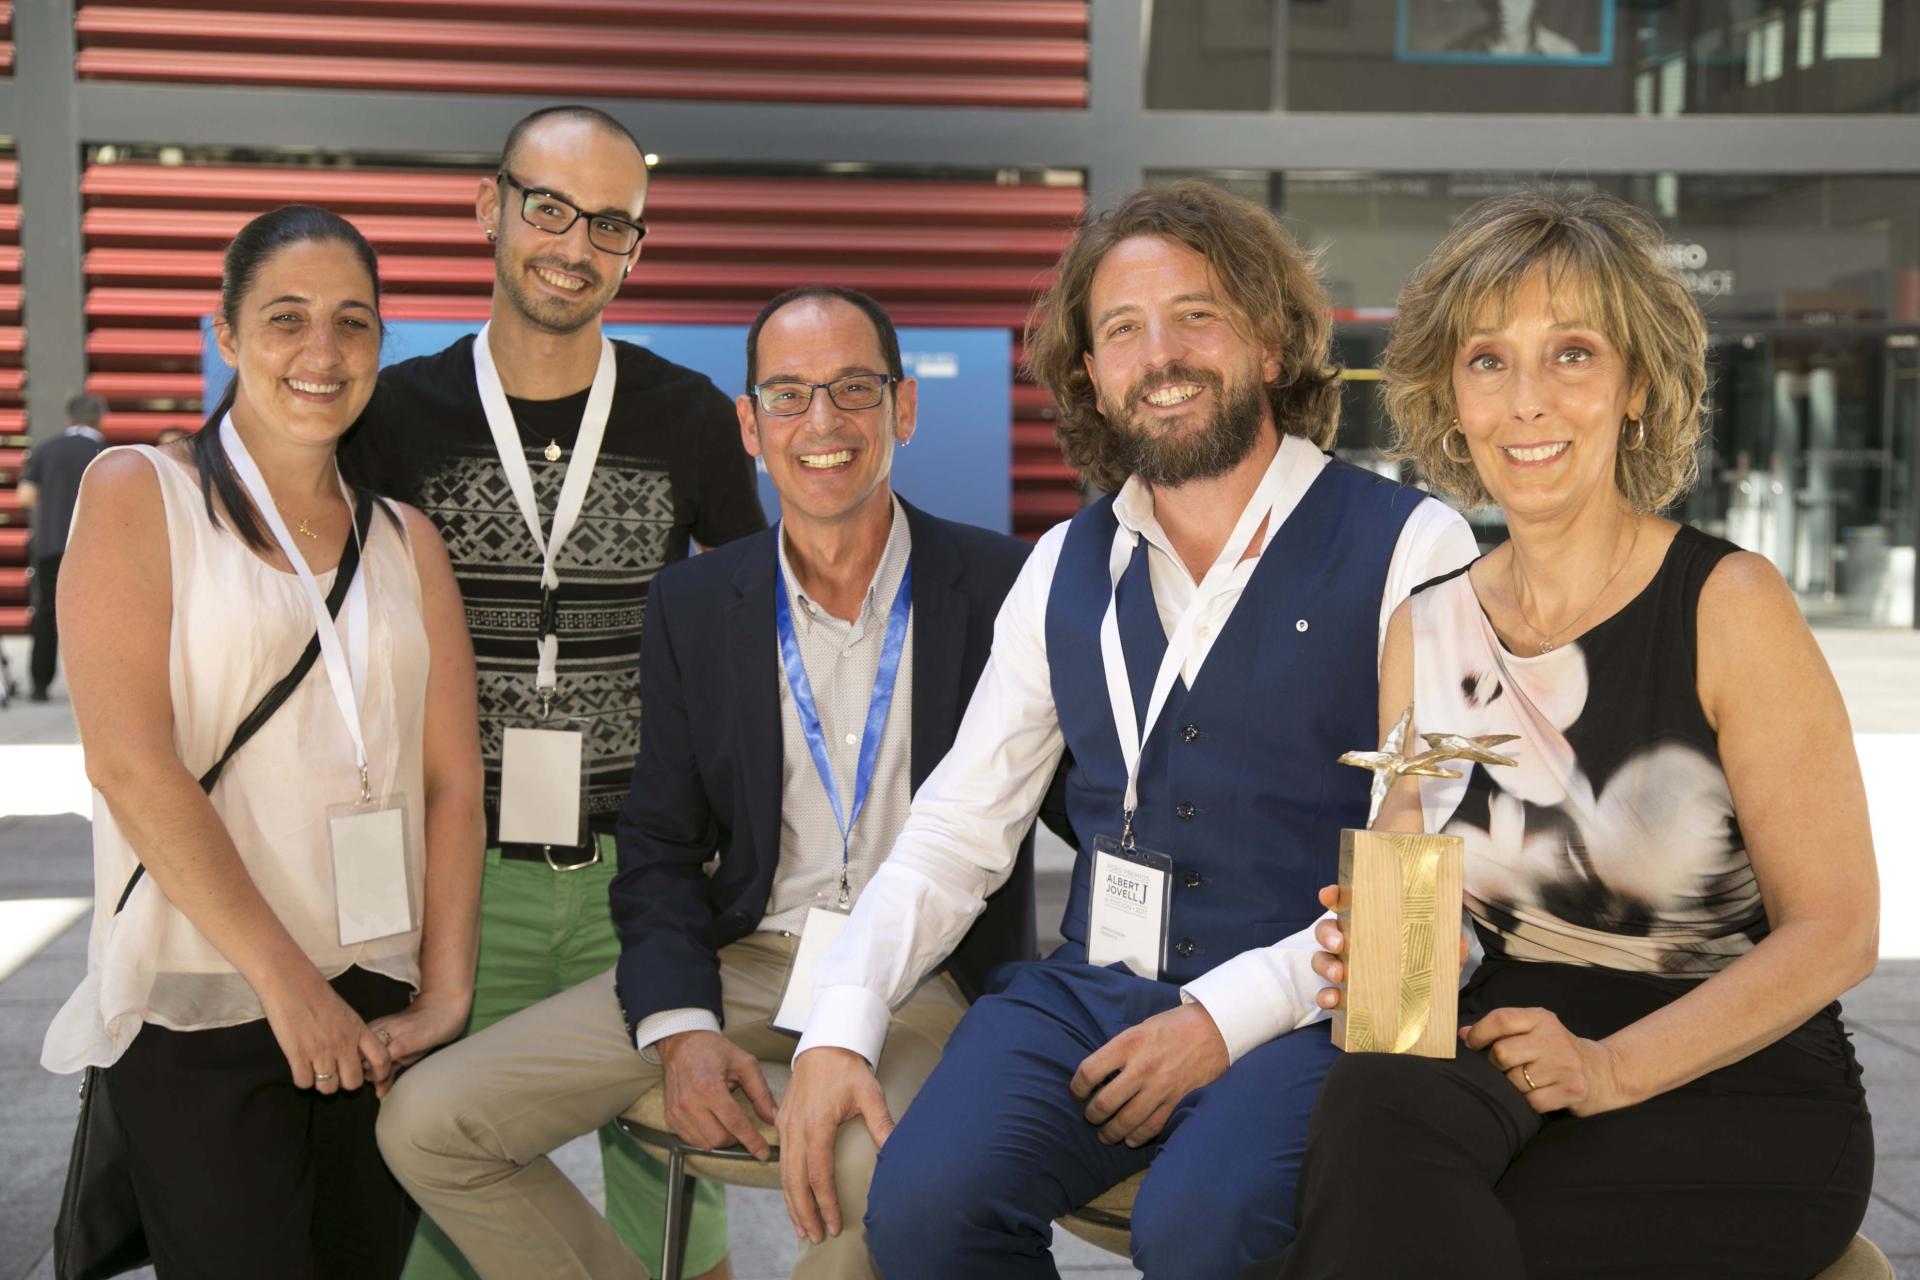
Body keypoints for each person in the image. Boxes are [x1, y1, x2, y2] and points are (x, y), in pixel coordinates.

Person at [777, 180, 1480, 1278]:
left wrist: (1223, 1017)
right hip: (1096, 986)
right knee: (922, 1208)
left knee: (1202, 1229)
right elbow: (959, 827)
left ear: (1272, 342)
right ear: (1093, 381)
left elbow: (1439, 886)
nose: (1162, 355)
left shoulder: (1412, 544)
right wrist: (838, 1020)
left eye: (1197, 314)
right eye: (1122, 330)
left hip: (1318, 1004)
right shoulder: (1062, 562)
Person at [376, 285, 1054, 1280]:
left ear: (903, 407)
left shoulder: (1006, 586)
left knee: (867, 1175)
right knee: (429, 1122)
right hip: (748, 958)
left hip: (922, 977)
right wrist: (682, 1024)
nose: (821, 421)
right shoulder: (695, 601)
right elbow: (657, 842)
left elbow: (1098, 798)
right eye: (788, 394)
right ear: (750, 425)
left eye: (853, 388)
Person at [1275, 190, 1878, 1279]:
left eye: (1572, 354)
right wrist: (1388, 950)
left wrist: (1609, 1069)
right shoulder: (1424, 628)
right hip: (1509, 1045)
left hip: (1729, 1071)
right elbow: (1427, 896)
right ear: (1451, 397)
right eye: (1489, 361)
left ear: (1636, 385)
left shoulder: (1730, 604)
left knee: (1411, 1239)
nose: (1527, 401)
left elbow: (1837, 930)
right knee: (1367, 1102)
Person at [340, 104, 764, 1280]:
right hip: (456, 874)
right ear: (490, 206)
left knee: (679, 1197)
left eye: (612, 223)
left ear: (637, 246)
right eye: (550, 208)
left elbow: (748, 641)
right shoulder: (392, 417)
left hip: (645, 874)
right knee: (439, 1187)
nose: (576, 246)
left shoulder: (685, 413)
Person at [40, 204, 484, 1278]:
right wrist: (291, 989)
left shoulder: (406, 542)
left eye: (352, 322)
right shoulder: (141, 493)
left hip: (376, 1001)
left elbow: (451, 780)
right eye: (286, 318)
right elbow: (130, 764)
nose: (322, 352)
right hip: (208, 995)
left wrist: (446, 992)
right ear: (228, 334)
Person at [18, 391, 108, 700]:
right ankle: (95, 687)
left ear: (69, 418)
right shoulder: (107, 451)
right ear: (99, 418)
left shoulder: (46, 449)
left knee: (46, 613)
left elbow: (25, 496)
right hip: (95, 548)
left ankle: (40, 685)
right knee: (97, 615)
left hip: (52, 544)